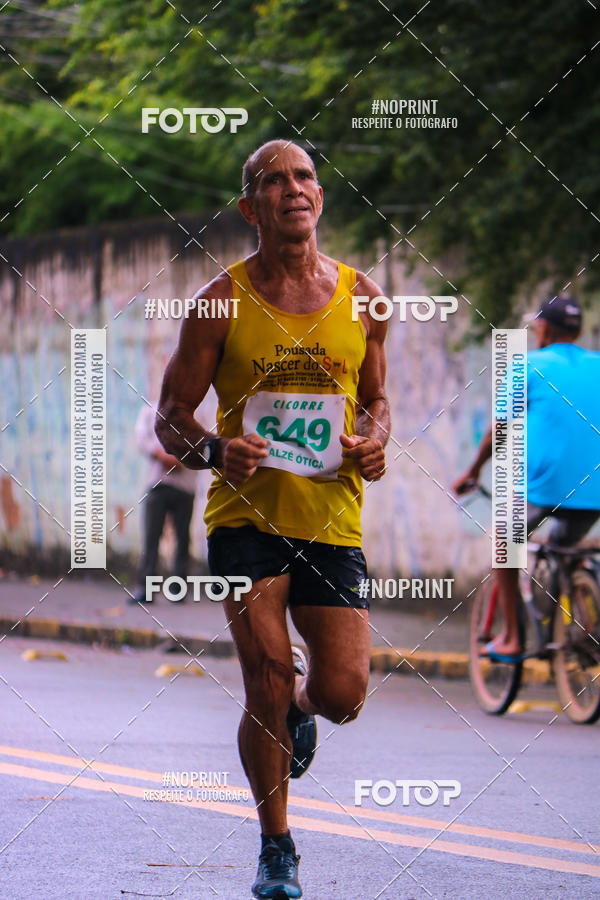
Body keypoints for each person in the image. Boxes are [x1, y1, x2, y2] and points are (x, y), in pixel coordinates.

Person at [155, 139, 389, 898]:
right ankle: (277, 846)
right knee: (265, 678)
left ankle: (303, 711)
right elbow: (171, 417)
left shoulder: (365, 297)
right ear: (250, 207)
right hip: (244, 519)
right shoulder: (221, 301)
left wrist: (376, 441)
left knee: (345, 692)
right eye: (274, 181)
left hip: (332, 518)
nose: (295, 189)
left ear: (319, 195)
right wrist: (217, 449)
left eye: (306, 177)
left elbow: (378, 399)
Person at [454, 296, 600, 662]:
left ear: (544, 330)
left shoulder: (528, 365)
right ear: (579, 331)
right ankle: (578, 605)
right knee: (565, 546)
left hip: (544, 488)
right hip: (595, 491)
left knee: (505, 540)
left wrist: (472, 472)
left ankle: (513, 639)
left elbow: (497, 431)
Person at [131, 402, 197, 604]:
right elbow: (141, 439)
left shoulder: (195, 413)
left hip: (185, 485)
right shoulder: (151, 410)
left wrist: (181, 461)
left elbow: (203, 442)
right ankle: (146, 588)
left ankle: (178, 589)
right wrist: (163, 457)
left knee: (182, 538)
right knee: (152, 537)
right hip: (158, 482)